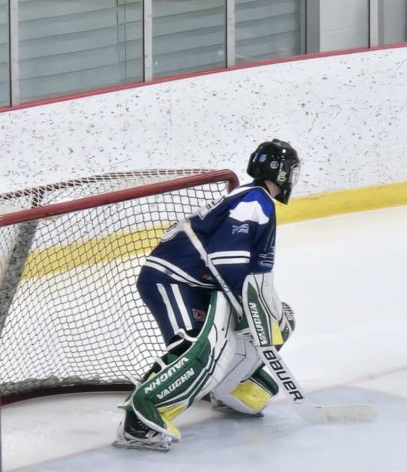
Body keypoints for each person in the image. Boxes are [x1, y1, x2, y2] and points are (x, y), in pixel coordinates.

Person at [115, 139, 301, 451]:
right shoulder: (255, 201)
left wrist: (255, 310)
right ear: (279, 171)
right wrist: (247, 308)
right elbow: (226, 258)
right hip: (172, 278)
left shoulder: (252, 199)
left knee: (269, 325)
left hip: (196, 283)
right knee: (195, 347)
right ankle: (140, 418)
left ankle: (229, 385)